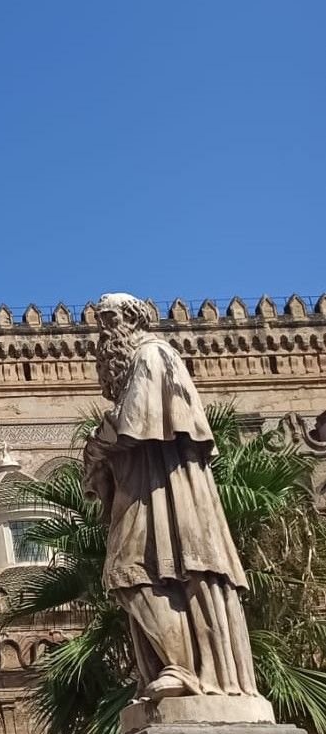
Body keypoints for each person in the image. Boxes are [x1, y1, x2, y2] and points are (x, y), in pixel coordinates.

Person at [84, 292, 264, 707]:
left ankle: (184, 668)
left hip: (163, 489)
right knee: (137, 570)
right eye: (99, 323)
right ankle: (177, 665)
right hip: (142, 483)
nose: (103, 333)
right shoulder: (135, 365)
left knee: (138, 569)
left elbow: (134, 423)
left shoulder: (152, 355)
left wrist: (98, 444)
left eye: (109, 319)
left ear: (132, 318)